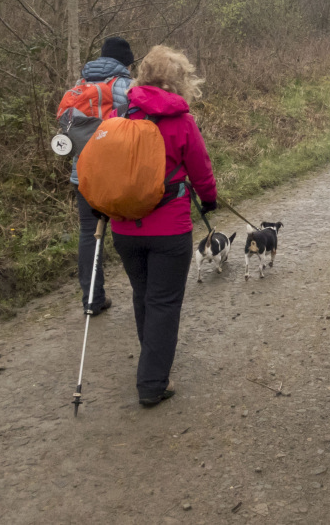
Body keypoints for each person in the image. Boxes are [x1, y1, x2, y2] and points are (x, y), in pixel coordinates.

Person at [109, 45, 217, 407]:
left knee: (144, 296)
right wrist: (210, 199)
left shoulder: (122, 112)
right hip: (169, 229)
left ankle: (150, 361)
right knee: (164, 302)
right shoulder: (181, 120)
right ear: (179, 80)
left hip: (125, 227)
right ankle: (153, 382)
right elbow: (200, 169)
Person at [66, 37, 134, 316]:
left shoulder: (78, 87)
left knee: (88, 234)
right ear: (127, 62)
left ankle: (92, 299)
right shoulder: (129, 88)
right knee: (130, 230)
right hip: (119, 175)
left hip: (83, 175)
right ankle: (144, 294)